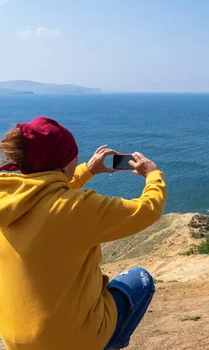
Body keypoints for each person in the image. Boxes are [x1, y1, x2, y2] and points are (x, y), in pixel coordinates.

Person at [0, 117, 167, 350]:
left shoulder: (8, 199)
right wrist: (153, 175)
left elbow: (43, 192)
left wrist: (87, 171)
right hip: (68, 341)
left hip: (15, 339)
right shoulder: (78, 208)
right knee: (141, 279)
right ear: (65, 161)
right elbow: (146, 210)